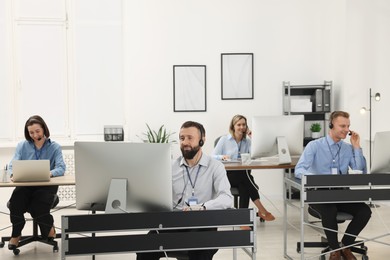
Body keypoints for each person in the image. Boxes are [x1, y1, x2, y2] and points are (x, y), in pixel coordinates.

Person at [137, 121, 233, 260]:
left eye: (190, 138)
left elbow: (226, 198)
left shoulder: (215, 167)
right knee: (144, 249)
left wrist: (203, 207)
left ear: (202, 140)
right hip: (174, 223)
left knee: (200, 252)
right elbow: (158, 196)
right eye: (182, 138)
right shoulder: (170, 167)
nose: (185, 142)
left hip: (203, 224)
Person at [295, 111, 371, 260]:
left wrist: (356, 147)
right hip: (320, 193)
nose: (346, 129)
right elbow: (299, 170)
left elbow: (360, 170)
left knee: (364, 211)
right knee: (329, 210)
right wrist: (318, 179)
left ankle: (345, 246)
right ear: (331, 125)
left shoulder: (348, 148)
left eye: (348, 126)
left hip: (341, 192)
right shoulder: (314, 146)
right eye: (342, 125)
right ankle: (335, 250)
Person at [7, 115, 66, 250]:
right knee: (15, 202)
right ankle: (16, 234)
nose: (34, 135)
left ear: (44, 129)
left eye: (37, 131)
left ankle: (48, 228)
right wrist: (12, 173)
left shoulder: (54, 147)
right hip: (26, 185)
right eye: (31, 132)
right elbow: (12, 165)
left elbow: (61, 168)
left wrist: (49, 172)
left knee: (38, 204)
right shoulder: (22, 146)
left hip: (46, 187)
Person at [212, 114, 275, 221]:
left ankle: (243, 220)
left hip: (243, 176)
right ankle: (261, 210)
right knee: (246, 180)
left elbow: (256, 154)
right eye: (239, 124)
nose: (242, 127)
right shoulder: (224, 140)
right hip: (227, 176)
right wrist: (222, 157)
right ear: (233, 126)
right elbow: (212, 156)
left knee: (244, 186)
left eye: (244, 125)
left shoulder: (247, 142)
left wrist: (252, 137)